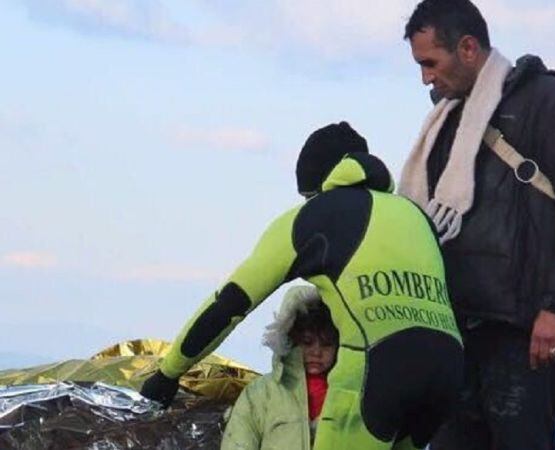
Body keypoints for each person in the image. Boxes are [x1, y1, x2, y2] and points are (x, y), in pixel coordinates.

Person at [141, 122, 464, 450]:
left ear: (318, 185)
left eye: (307, 195)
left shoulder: (313, 216)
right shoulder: (414, 215)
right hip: (448, 369)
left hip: (379, 366)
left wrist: (168, 373)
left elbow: (229, 305)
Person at [399, 1, 555, 449]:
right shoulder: (447, 118)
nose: (425, 78)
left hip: (524, 336)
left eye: (431, 63)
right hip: (456, 332)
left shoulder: (549, 103)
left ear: (467, 48)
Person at [221, 285, 339, 449]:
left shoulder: (354, 394)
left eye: (327, 344)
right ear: (289, 338)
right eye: (307, 342)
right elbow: (238, 442)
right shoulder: (261, 392)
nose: (317, 352)